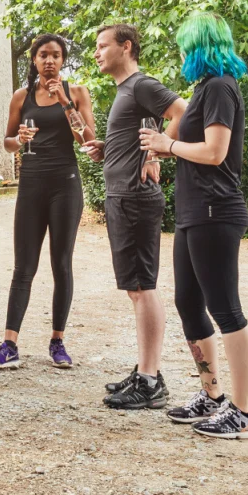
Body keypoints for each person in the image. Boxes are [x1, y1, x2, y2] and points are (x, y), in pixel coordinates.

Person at [140, 13, 248, 439]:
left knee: (226, 309)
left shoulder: (222, 86)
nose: (183, 53)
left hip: (217, 211)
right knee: (189, 303)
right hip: (193, 213)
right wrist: (164, 151)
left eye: (187, 46)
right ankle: (213, 397)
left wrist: (166, 144)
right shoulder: (204, 88)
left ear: (201, 46)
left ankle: (245, 414)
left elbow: (214, 152)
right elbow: (196, 148)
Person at [82, 24, 187, 409]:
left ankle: (150, 381)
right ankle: (146, 368)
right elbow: (140, 134)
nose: (96, 53)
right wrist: (109, 149)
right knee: (135, 288)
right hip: (121, 197)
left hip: (136, 199)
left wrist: (160, 152)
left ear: (126, 47)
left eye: (102, 46)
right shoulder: (125, 91)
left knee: (143, 287)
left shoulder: (142, 84)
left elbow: (183, 113)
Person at [0, 34, 94, 371]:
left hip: (65, 184)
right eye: (43, 55)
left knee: (61, 264)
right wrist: (19, 139)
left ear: (63, 61)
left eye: (56, 55)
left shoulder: (76, 93)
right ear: (34, 60)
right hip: (31, 183)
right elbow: (7, 142)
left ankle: (57, 341)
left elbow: (87, 139)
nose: (49, 61)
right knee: (23, 266)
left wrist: (65, 102)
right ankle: (9, 343)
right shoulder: (22, 96)